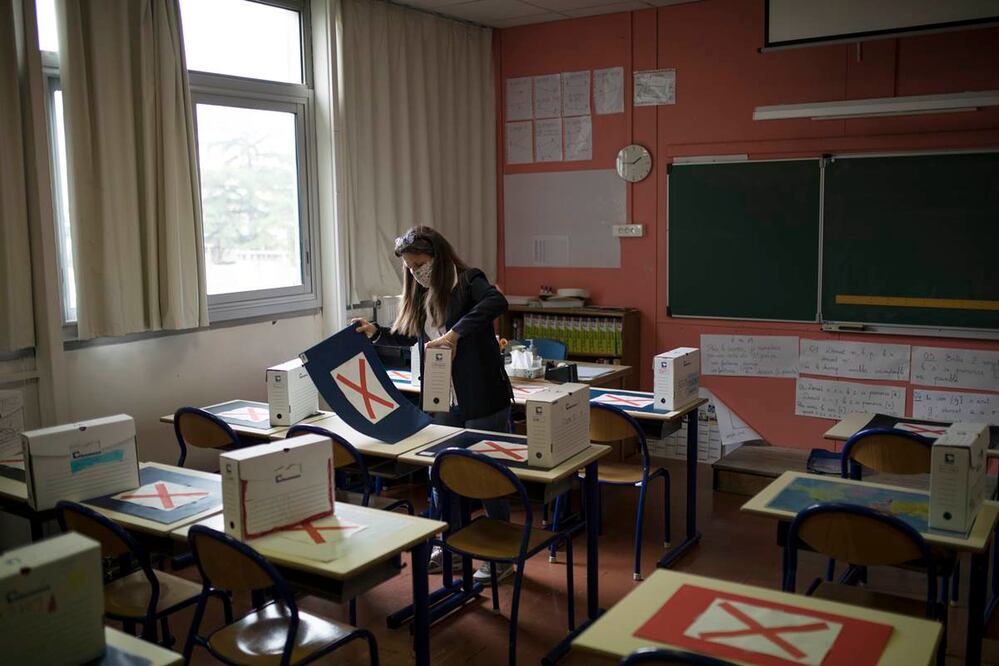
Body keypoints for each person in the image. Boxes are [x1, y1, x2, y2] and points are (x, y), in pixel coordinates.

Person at [353, 226, 515, 581]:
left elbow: (496, 303)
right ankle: (451, 546)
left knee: (488, 476)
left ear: (438, 258)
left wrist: (454, 334)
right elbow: (410, 333)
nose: (415, 272)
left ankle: (501, 557)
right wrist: (376, 332)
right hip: (443, 397)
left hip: (483, 395)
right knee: (441, 472)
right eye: (410, 267)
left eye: (420, 264)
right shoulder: (417, 293)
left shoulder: (469, 280)